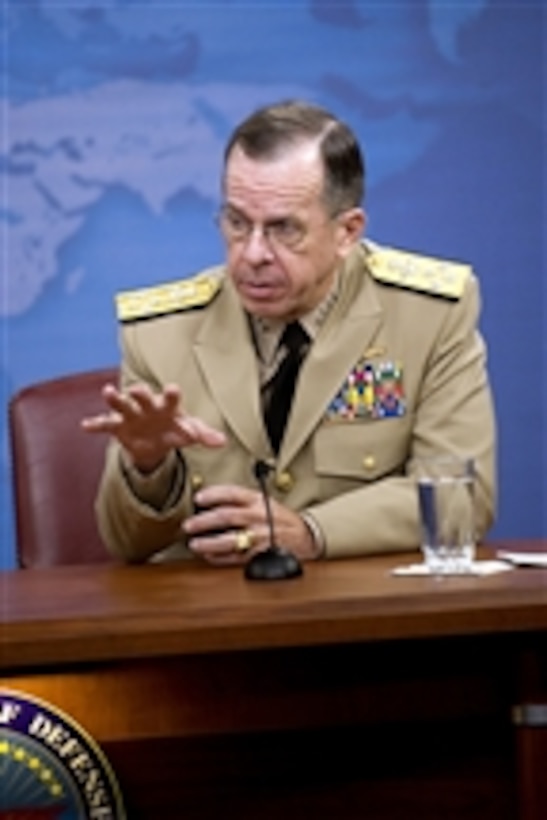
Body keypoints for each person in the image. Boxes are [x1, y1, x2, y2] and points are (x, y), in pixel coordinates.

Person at [82, 99, 496, 566]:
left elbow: (462, 498)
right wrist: (147, 467)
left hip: (363, 616)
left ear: (347, 231)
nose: (252, 253)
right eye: (237, 223)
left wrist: (313, 533)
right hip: (209, 620)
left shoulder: (429, 313)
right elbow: (125, 544)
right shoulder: (159, 332)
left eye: (283, 229)